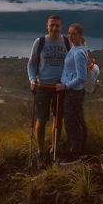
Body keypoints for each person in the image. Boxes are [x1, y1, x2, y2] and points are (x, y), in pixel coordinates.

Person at [27, 15, 70, 168]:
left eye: (57, 25)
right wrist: (32, 79)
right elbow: (31, 64)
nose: (54, 28)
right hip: (43, 87)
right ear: (47, 26)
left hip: (60, 87)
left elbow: (71, 64)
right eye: (52, 25)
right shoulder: (40, 42)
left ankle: (54, 149)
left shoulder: (66, 42)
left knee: (58, 121)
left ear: (61, 26)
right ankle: (40, 152)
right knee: (41, 120)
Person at [56, 23, 89, 164]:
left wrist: (65, 86)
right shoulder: (76, 48)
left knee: (72, 123)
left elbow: (81, 77)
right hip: (73, 91)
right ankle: (80, 151)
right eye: (69, 33)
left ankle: (74, 154)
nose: (70, 36)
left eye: (74, 34)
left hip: (73, 92)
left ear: (80, 35)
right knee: (78, 121)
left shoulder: (79, 53)